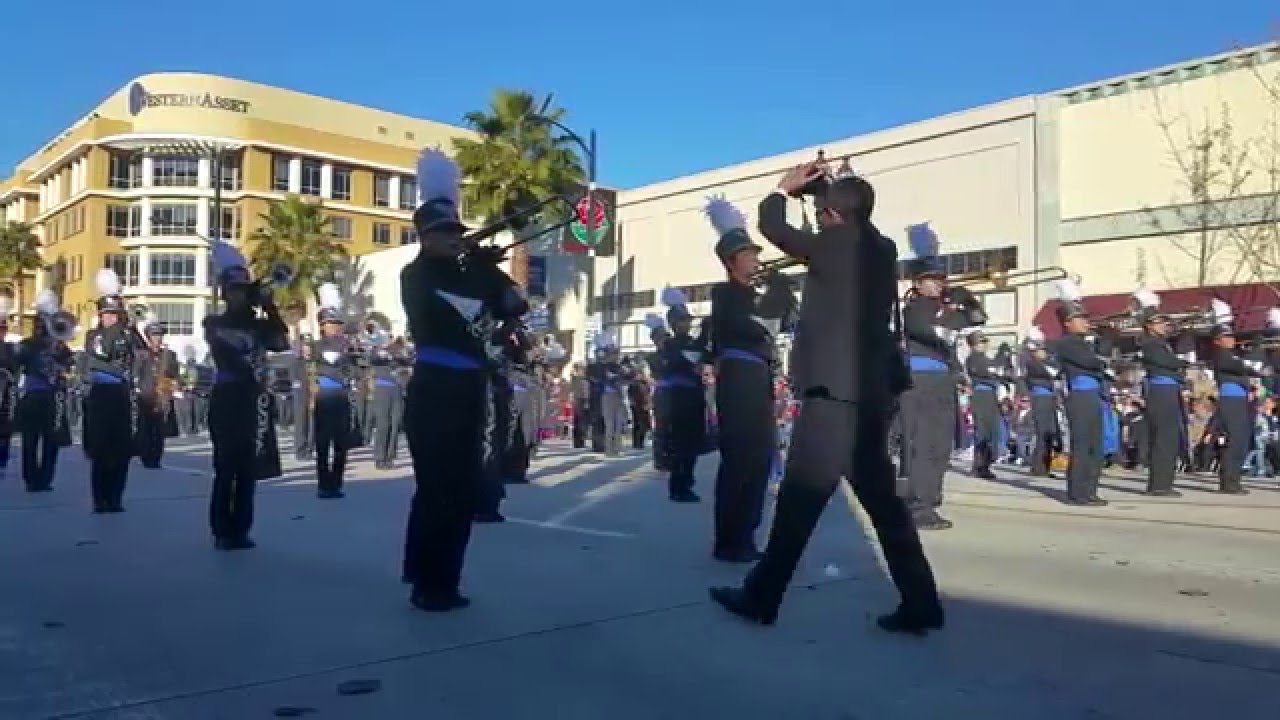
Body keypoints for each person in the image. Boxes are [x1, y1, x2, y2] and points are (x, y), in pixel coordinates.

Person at [710, 161, 942, 634]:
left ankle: (760, 597)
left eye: (824, 212)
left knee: (798, 501)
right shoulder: (882, 248)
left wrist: (782, 190)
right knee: (885, 507)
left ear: (834, 215)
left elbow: (774, 227)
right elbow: (854, 215)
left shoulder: (834, 243)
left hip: (833, 393)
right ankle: (921, 602)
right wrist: (833, 189)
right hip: (871, 394)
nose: (819, 218)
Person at [400, 148, 527, 612]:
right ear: (425, 236)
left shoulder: (477, 276)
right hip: (434, 390)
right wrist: (472, 265)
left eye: (457, 231)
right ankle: (424, 580)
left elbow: (517, 305)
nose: (453, 238)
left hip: (472, 392)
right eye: (443, 232)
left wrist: (486, 265)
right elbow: (428, 317)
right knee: (435, 488)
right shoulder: (415, 275)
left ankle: (446, 580)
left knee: (462, 489)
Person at [702, 196, 791, 563]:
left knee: (759, 458)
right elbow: (753, 325)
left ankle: (746, 536)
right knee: (740, 459)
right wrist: (772, 295)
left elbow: (783, 320)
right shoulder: (725, 294)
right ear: (731, 262)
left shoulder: (756, 295)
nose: (756, 260)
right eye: (748, 255)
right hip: (738, 379)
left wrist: (780, 287)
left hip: (758, 378)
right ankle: (729, 539)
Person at [205, 240, 289, 550]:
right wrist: (254, 312)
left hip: (252, 400)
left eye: (244, 288)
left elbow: (281, 343)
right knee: (226, 467)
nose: (241, 294)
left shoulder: (259, 323)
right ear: (226, 292)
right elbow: (231, 345)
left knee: (248, 468)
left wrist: (269, 305)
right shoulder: (214, 323)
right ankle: (221, 530)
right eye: (236, 289)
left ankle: (241, 529)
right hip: (227, 400)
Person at [900, 223, 981, 530]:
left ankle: (931, 500)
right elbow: (936, 335)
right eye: (930, 280)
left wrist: (968, 297)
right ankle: (918, 506)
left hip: (943, 383)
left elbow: (976, 320)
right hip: (919, 382)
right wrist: (949, 311)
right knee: (923, 444)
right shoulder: (913, 309)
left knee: (942, 445)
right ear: (918, 284)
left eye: (939, 280)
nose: (937, 285)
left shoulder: (945, 308)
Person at [1051, 280, 1110, 506]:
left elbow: (1100, 365)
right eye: (1081, 318)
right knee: (1083, 444)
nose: (1086, 322)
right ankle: (1077, 492)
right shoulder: (1066, 343)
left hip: (1093, 395)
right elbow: (1092, 363)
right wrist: (1102, 357)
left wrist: (1105, 340)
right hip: (1080, 396)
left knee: (1096, 444)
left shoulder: (1084, 342)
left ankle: (1091, 489)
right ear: (1067, 323)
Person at [19, 290, 75, 494]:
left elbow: (70, 366)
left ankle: (45, 478)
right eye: (39, 324)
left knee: (52, 442)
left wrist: (61, 361)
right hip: (33, 395)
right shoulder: (27, 345)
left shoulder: (61, 347)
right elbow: (19, 364)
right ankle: (31, 479)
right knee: (30, 441)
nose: (41, 328)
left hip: (54, 397)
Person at [1131, 288, 1186, 495]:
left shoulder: (1160, 343)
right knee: (1164, 437)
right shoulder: (1150, 343)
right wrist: (1180, 363)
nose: (1165, 325)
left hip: (1168, 389)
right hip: (1160, 391)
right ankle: (1159, 485)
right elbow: (1164, 362)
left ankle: (1163, 482)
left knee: (1169, 437)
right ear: (1149, 326)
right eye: (1160, 322)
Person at [655, 289, 707, 503]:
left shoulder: (692, 342)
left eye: (688, 320)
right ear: (674, 324)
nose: (687, 324)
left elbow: (702, 355)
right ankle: (679, 485)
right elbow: (675, 364)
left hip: (693, 396)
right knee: (680, 444)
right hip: (677, 399)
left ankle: (687, 480)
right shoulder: (670, 345)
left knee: (692, 442)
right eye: (683, 320)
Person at [311, 284, 360, 499]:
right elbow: (308, 371)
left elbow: (357, 368)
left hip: (341, 396)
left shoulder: (348, 345)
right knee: (322, 443)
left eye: (337, 323)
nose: (334, 327)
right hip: (324, 396)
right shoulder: (314, 346)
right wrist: (311, 395)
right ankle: (323, 484)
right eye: (330, 324)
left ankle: (336, 484)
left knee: (341, 443)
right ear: (322, 326)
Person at [1206, 299, 1258, 495]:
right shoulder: (1221, 355)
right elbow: (1241, 367)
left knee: (1242, 440)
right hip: (1230, 401)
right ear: (1217, 340)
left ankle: (1234, 479)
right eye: (1226, 336)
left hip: (1240, 400)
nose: (1231, 339)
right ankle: (1228, 482)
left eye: (1231, 336)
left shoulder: (1233, 355)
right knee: (1235, 439)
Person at [133, 316, 180, 468]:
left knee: (159, 430)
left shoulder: (169, 354)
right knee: (145, 427)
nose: (157, 338)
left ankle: (156, 458)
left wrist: (173, 386)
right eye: (154, 335)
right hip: (146, 396)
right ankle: (146, 455)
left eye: (159, 335)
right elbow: (136, 373)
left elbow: (174, 374)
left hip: (162, 396)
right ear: (148, 337)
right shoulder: (142, 354)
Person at [1020, 327, 1061, 477]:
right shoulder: (1032, 364)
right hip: (1040, 398)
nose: (1044, 352)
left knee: (1050, 432)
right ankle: (1038, 467)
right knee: (1043, 432)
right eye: (1041, 349)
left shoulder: (1043, 363)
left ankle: (1045, 466)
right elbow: (1054, 372)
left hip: (1049, 398)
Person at [963, 331, 1002, 480]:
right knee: (982, 431)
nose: (984, 345)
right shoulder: (972, 359)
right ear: (973, 345)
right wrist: (995, 373)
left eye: (985, 342)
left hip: (991, 396)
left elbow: (999, 372)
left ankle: (985, 465)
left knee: (992, 431)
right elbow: (985, 372)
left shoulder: (986, 359)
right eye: (980, 342)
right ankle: (978, 466)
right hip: (981, 396)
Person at [366, 322, 404, 470]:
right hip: (382, 389)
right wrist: (383, 351)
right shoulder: (376, 352)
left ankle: (390, 456)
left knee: (396, 422)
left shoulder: (398, 351)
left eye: (389, 337)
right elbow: (373, 359)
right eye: (385, 337)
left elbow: (408, 360)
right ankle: (380, 457)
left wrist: (398, 353)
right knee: (383, 424)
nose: (388, 340)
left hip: (397, 389)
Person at [0, 293, 18, 476]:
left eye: (3, 329)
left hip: (5, 393)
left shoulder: (10, 348)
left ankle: (2, 461)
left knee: (4, 428)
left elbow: (16, 369)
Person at [292, 335, 314, 459]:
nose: (308, 350)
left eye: (309, 347)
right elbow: (295, 381)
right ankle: (300, 450)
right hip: (301, 395)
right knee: (301, 424)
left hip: (313, 396)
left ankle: (310, 448)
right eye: (305, 347)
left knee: (312, 423)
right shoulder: (297, 362)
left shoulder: (315, 362)